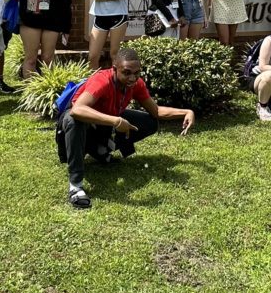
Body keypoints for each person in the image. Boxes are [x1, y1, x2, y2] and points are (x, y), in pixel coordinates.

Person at [58, 47, 195, 208]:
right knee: (75, 120)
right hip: (77, 124)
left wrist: (186, 112)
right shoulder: (102, 81)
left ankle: (101, 149)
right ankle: (76, 186)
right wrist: (116, 121)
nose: (133, 78)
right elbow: (77, 110)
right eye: (127, 72)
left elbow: (156, 111)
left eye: (137, 73)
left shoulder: (136, 84)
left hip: (104, 123)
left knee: (149, 122)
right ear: (115, 70)